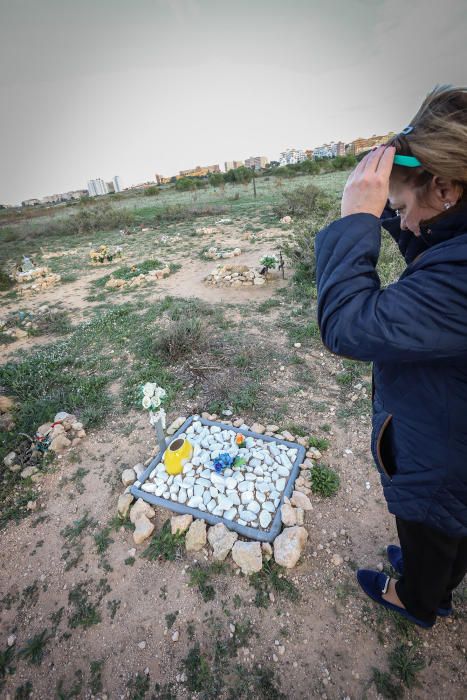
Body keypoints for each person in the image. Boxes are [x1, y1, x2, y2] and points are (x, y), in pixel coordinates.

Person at [314, 85, 467, 628]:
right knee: (450, 530)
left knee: (428, 525)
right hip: (454, 436)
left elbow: (346, 326)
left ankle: (421, 600)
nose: (399, 222)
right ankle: (437, 577)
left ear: (447, 188)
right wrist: (393, 208)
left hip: (442, 453)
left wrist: (354, 220)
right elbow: (430, 243)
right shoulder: (455, 238)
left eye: (399, 209)